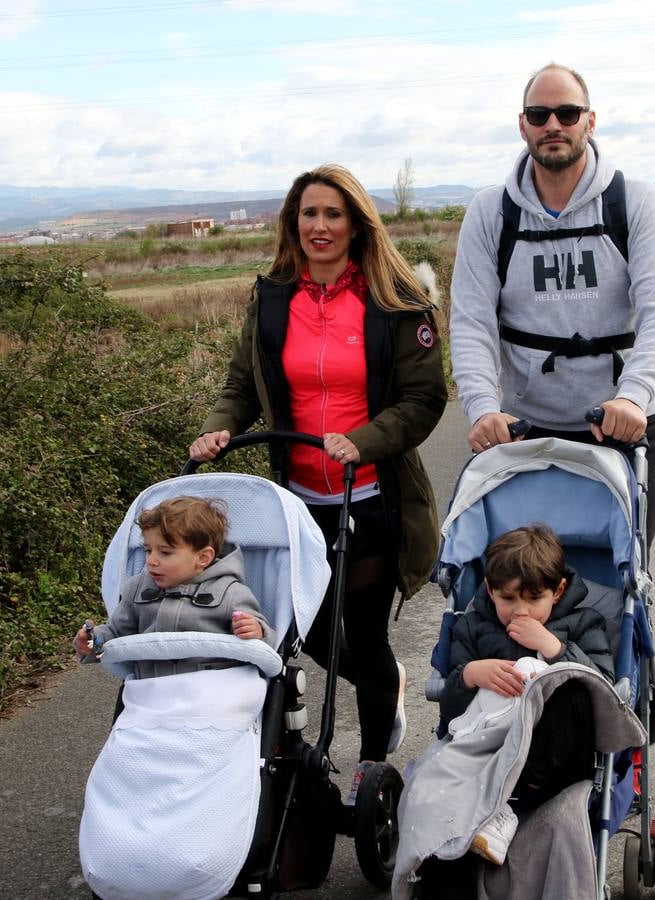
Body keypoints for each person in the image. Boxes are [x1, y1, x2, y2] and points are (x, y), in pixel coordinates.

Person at [188, 163, 447, 799]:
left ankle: (372, 769)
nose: (320, 226)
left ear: (357, 223)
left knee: (363, 634)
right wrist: (219, 428)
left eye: (334, 214)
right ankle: (381, 689)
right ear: (293, 222)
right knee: (306, 636)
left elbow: (423, 400)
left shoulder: (396, 303)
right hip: (295, 506)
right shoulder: (273, 299)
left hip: (372, 498)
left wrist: (361, 442)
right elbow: (242, 387)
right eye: (309, 214)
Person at [449, 63, 655, 549]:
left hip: (624, 422)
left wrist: (633, 396)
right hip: (527, 428)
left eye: (568, 112)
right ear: (523, 125)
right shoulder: (491, 212)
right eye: (539, 114)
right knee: (526, 586)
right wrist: (482, 409)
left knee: (621, 578)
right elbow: (472, 321)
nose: (553, 124)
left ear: (590, 121)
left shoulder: (636, 202)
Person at [439, 524, 613, 866]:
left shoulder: (583, 624)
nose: (521, 611)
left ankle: (511, 802)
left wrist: (555, 649)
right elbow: (450, 713)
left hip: (555, 761)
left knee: (574, 691)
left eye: (534, 599)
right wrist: (471, 675)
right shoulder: (472, 628)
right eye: (508, 598)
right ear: (490, 590)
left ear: (558, 591)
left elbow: (604, 692)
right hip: (492, 752)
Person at [73, 497, 273, 677]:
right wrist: (92, 642)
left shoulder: (230, 592)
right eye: (148, 550)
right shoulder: (137, 590)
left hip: (211, 691)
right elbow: (116, 633)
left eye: (165, 553)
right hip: (150, 692)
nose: (151, 561)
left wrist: (256, 631)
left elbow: (266, 642)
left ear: (202, 558)